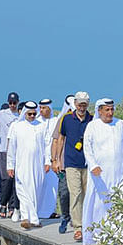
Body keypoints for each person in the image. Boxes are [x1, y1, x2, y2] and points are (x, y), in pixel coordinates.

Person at [82, 98, 123, 245]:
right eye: (107, 110)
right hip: (100, 175)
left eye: (112, 109)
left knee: (120, 202)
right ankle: (101, 235)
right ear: (99, 111)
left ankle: (120, 235)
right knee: (100, 204)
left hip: (121, 173)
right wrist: (93, 165)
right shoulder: (92, 126)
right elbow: (87, 148)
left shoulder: (121, 124)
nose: (110, 113)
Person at [55, 91, 92, 241]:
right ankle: (78, 227)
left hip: (88, 163)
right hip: (71, 163)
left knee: (88, 194)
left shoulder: (92, 119)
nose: (82, 107)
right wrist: (57, 159)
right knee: (75, 194)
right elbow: (61, 139)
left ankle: (89, 224)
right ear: (75, 104)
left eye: (84, 104)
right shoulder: (66, 119)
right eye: (79, 104)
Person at [7, 101, 50, 229]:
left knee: (35, 191)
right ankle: (27, 218)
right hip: (22, 165)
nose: (32, 116)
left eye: (34, 114)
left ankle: (33, 217)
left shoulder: (41, 126)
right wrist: (10, 165)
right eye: (29, 114)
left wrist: (48, 161)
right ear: (25, 113)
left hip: (38, 166)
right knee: (22, 190)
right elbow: (12, 148)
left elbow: (47, 145)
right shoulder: (16, 127)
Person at [0, 93, 21, 218]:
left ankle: (13, 206)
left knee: (16, 180)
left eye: (14, 103)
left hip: (18, 151)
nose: (13, 105)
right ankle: (4, 204)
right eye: (11, 103)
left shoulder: (21, 115)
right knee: (6, 179)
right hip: (4, 150)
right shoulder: (2, 114)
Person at [51, 94, 74, 233]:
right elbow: (55, 140)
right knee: (64, 193)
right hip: (64, 164)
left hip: (78, 163)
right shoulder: (62, 120)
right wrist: (54, 160)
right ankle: (65, 217)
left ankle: (77, 220)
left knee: (78, 193)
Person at [36, 98, 59, 219]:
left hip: (52, 159)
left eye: (44, 108)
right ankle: (37, 211)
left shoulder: (55, 121)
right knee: (38, 185)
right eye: (40, 108)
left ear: (49, 108)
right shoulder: (36, 122)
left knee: (52, 186)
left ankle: (49, 211)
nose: (41, 110)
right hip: (38, 160)